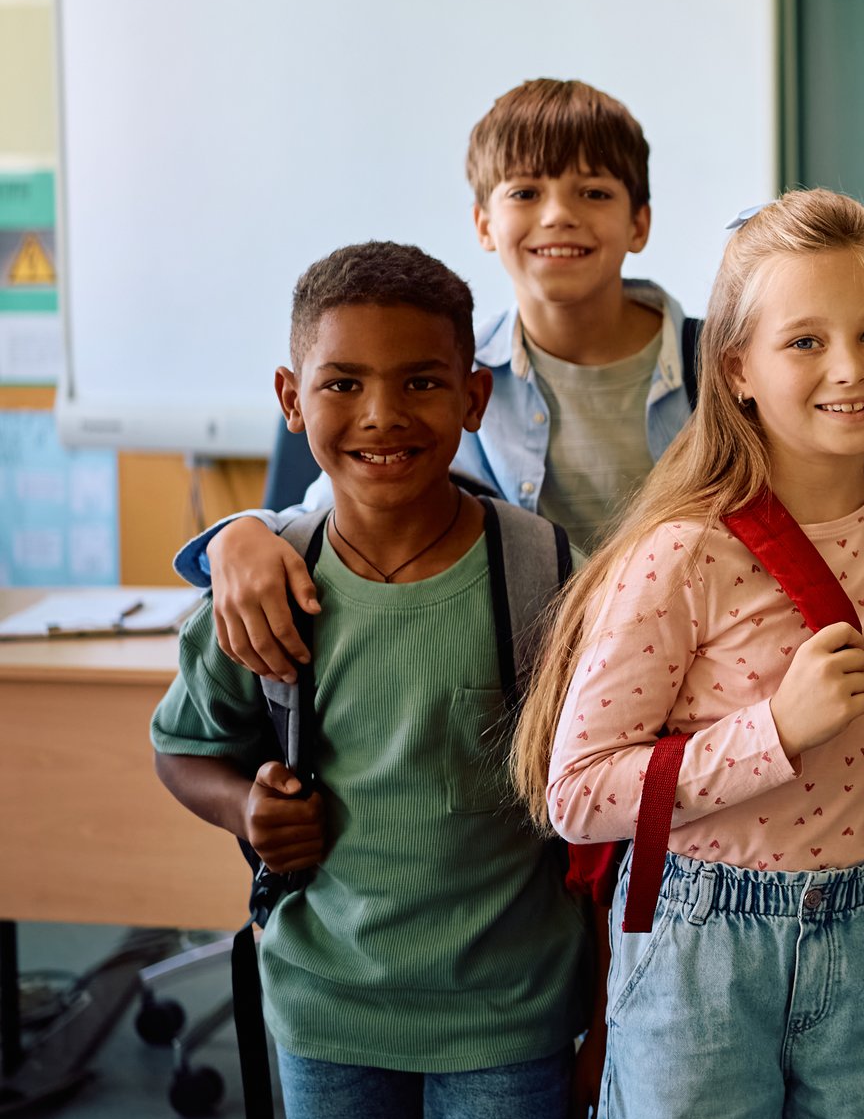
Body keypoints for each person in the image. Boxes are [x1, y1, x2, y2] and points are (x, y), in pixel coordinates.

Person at [512, 190, 864, 1119]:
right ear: (738, 369)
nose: (851, 367)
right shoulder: (685, 552)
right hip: (703, 944)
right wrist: (771, 733)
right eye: (806, 340)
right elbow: (573, 792)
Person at [150, 242, 585, 1119]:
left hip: (504, 1020)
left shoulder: (545, 577)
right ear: (291, 398)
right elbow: (183, 747)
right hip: (324, 1010)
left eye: (422, 381)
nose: (384, 414)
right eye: (343, 382)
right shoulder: (263, 592)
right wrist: (246, 809)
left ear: (474, 397)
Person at [180, 78, 700, 683]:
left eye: (593, 192)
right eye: (526, 192)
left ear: (639, 224)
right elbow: (344, 500)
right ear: (484, 224)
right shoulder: (436, 376)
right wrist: (240, 534)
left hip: (684, 678)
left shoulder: (718, 367)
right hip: (524, 688)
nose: (559, 215)